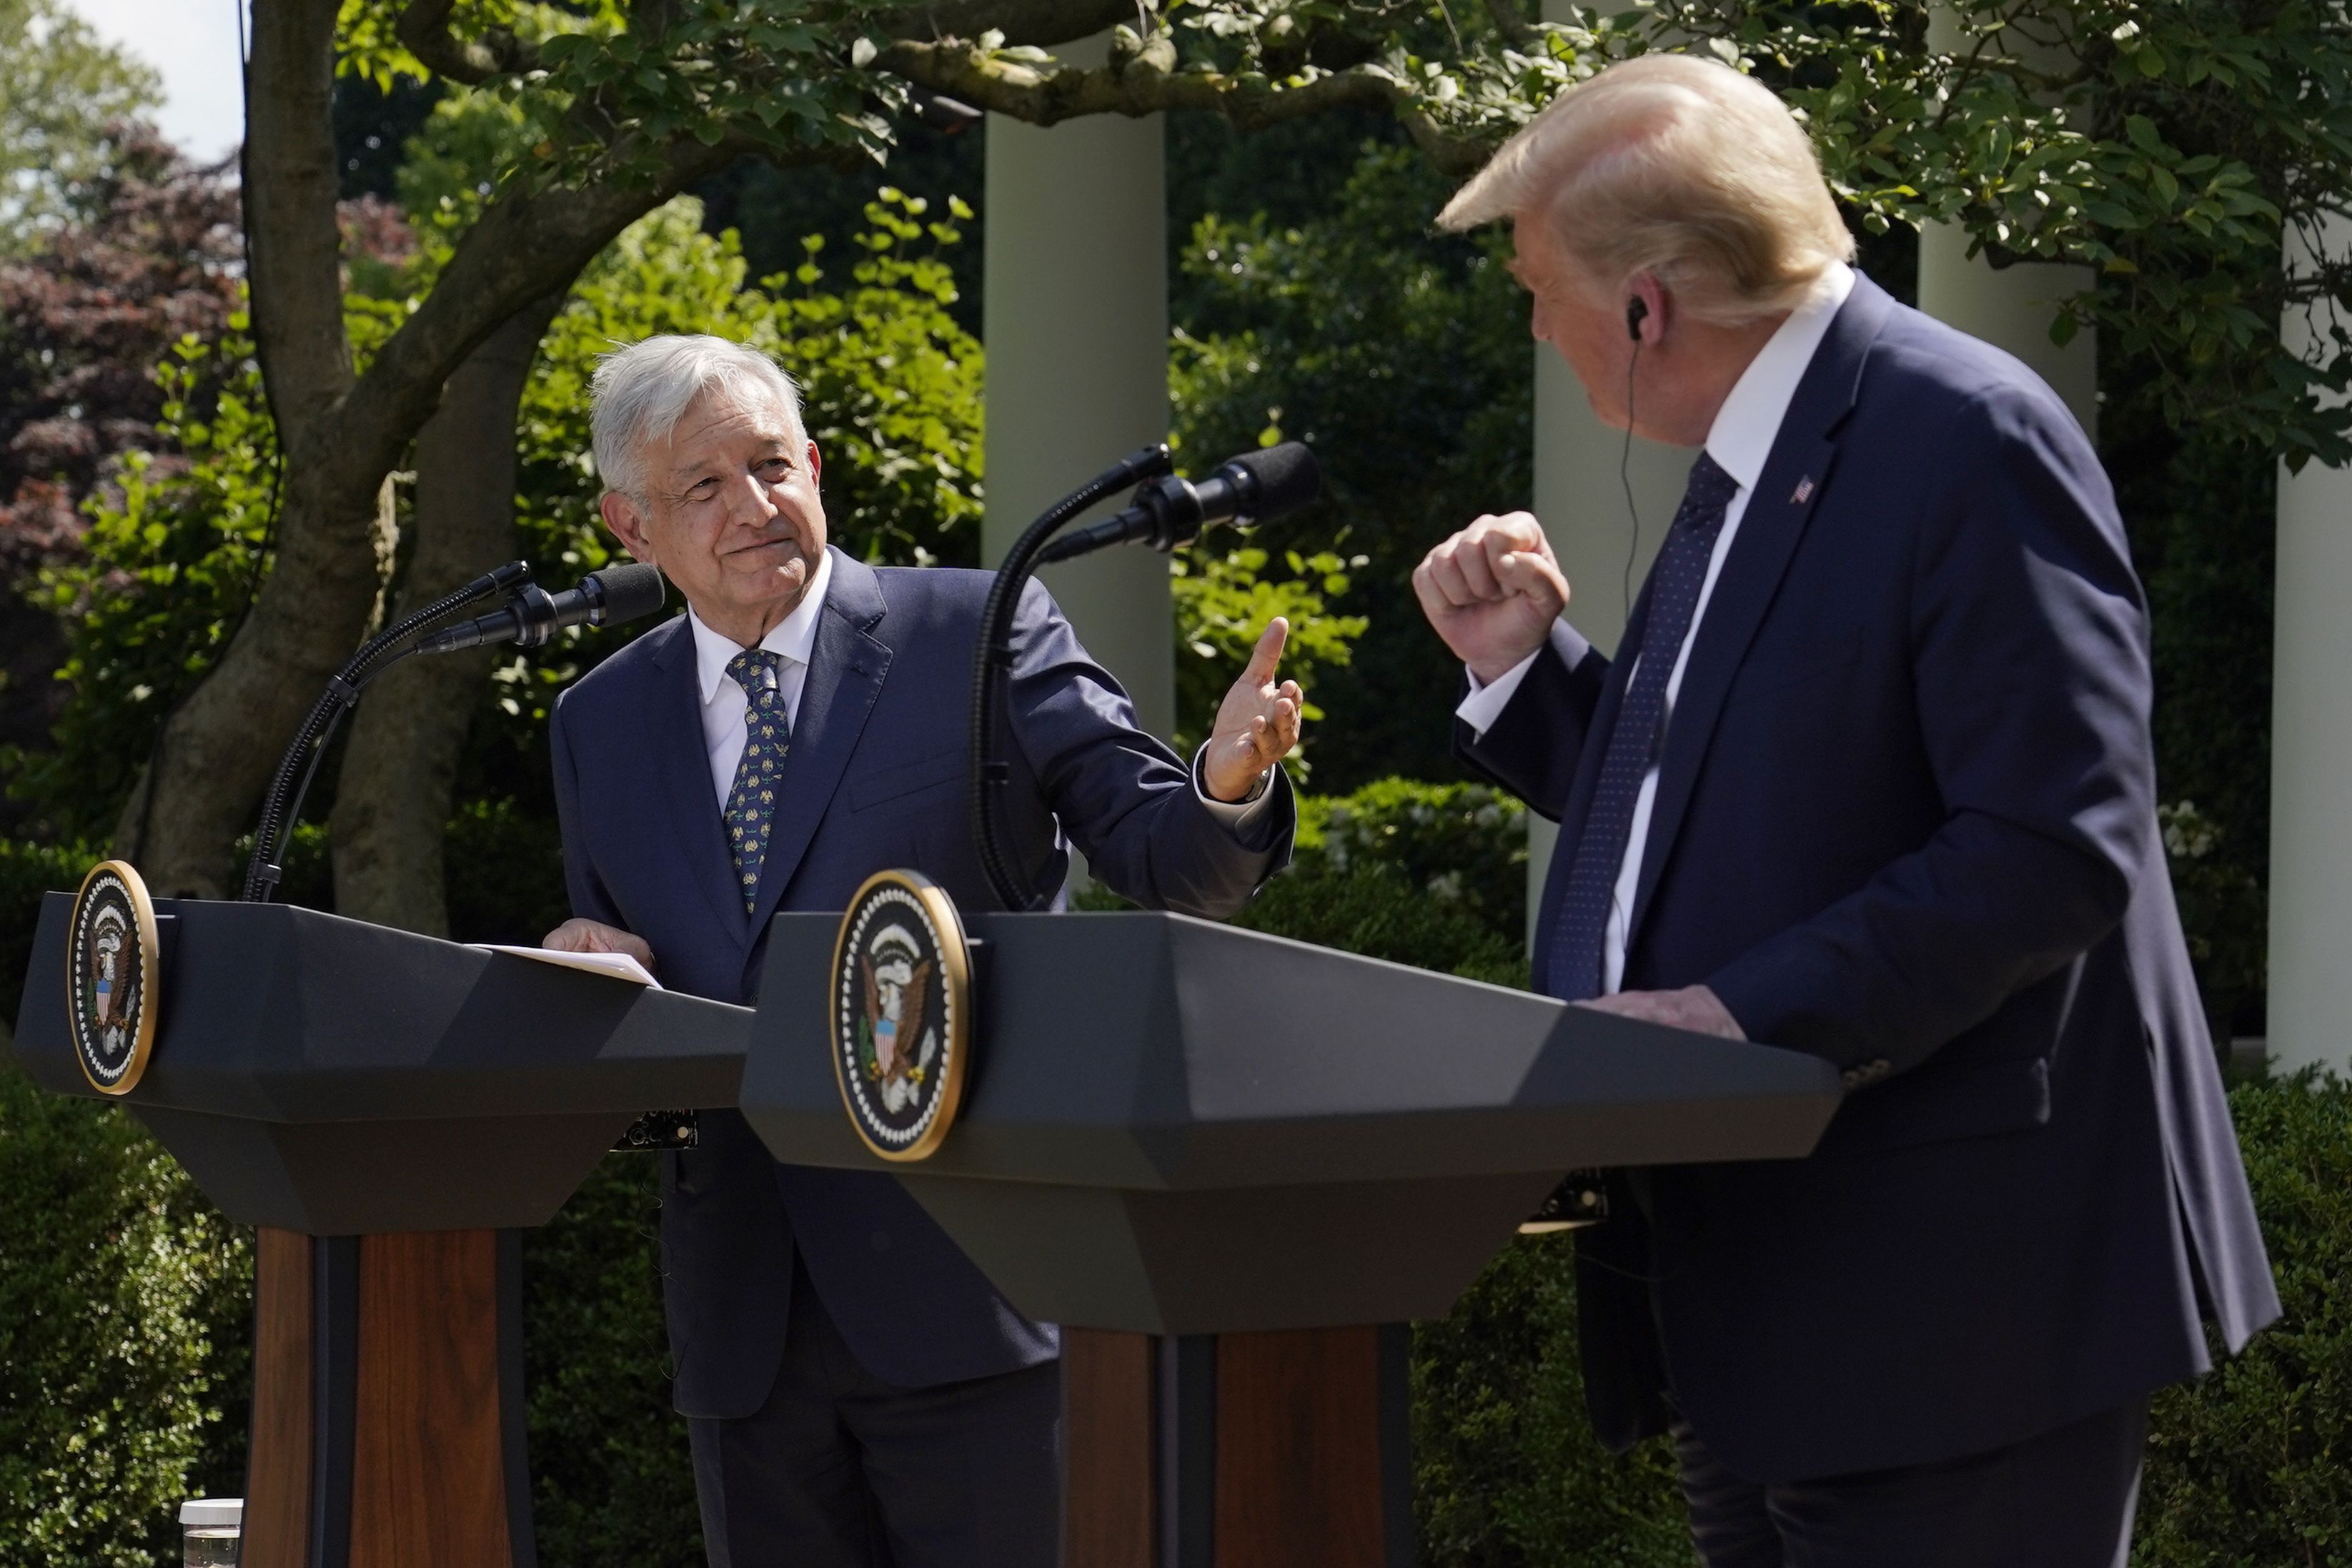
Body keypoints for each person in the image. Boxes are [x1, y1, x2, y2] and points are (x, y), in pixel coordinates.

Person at [1416, 54, 2277, 1567]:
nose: (1533, 325)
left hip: (1951, 1313)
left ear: (1646, 307)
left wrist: (1737, 1014)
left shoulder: (1959, 435)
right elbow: (1762, 796)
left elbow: (2050, 838)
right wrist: (1528, 679)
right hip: (1773, 1298)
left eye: (1536, 288)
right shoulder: (1758, 454)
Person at [544, 334, 1300, 1567]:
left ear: (819, 467)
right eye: (705, 486)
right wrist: (579, 968)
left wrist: (1223, 782)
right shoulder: (598, 722)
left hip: (977, 1290)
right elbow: (639, 982)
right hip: (745, 1322)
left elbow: (1166, 854)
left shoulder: (971, 631)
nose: (755, 505)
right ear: (631, 527)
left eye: (773, 464)